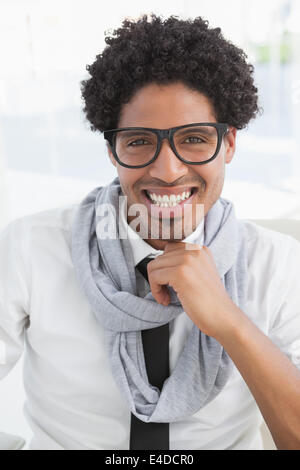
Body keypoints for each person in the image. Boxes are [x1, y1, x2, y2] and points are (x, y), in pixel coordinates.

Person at [1, 13, 300, 451]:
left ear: (229, 144)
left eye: (195, 138)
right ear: (112, 150)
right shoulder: (32, 247)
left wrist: (228, 320)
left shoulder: (277, 264)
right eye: (140, 141)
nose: (168, 170)